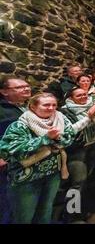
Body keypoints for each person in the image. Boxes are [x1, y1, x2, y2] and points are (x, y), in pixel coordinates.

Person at [0, 93, 78, 224]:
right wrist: (45, 139)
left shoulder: (60, 119)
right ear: (33, 107)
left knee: (45, 212)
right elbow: (9, 150)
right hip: (26, 179)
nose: (51, 108)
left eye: (54, 105)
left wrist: (56, 139)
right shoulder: (20, 125)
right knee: (24, 216)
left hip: (52, 174)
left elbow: (69, 137)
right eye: (46, 105)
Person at [61, 87, 95, 222]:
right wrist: (88, 116)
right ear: (71, 98)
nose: (83, 97)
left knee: (87, 180)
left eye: (85, 94)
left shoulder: (91, 106)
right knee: (77, 183)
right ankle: (71, 215)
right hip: (76, 151)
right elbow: (70, 131)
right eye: (79, 95)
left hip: (92, 146)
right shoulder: (65, 111)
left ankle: (82, 209)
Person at [0, 76, 32, 224]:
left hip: (26, 161)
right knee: (9, 203)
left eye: (27, 85)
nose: (26, 88)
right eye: (19, 87)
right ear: (4, 92)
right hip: (8, 164)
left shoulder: (27, 107)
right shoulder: (2, 110)